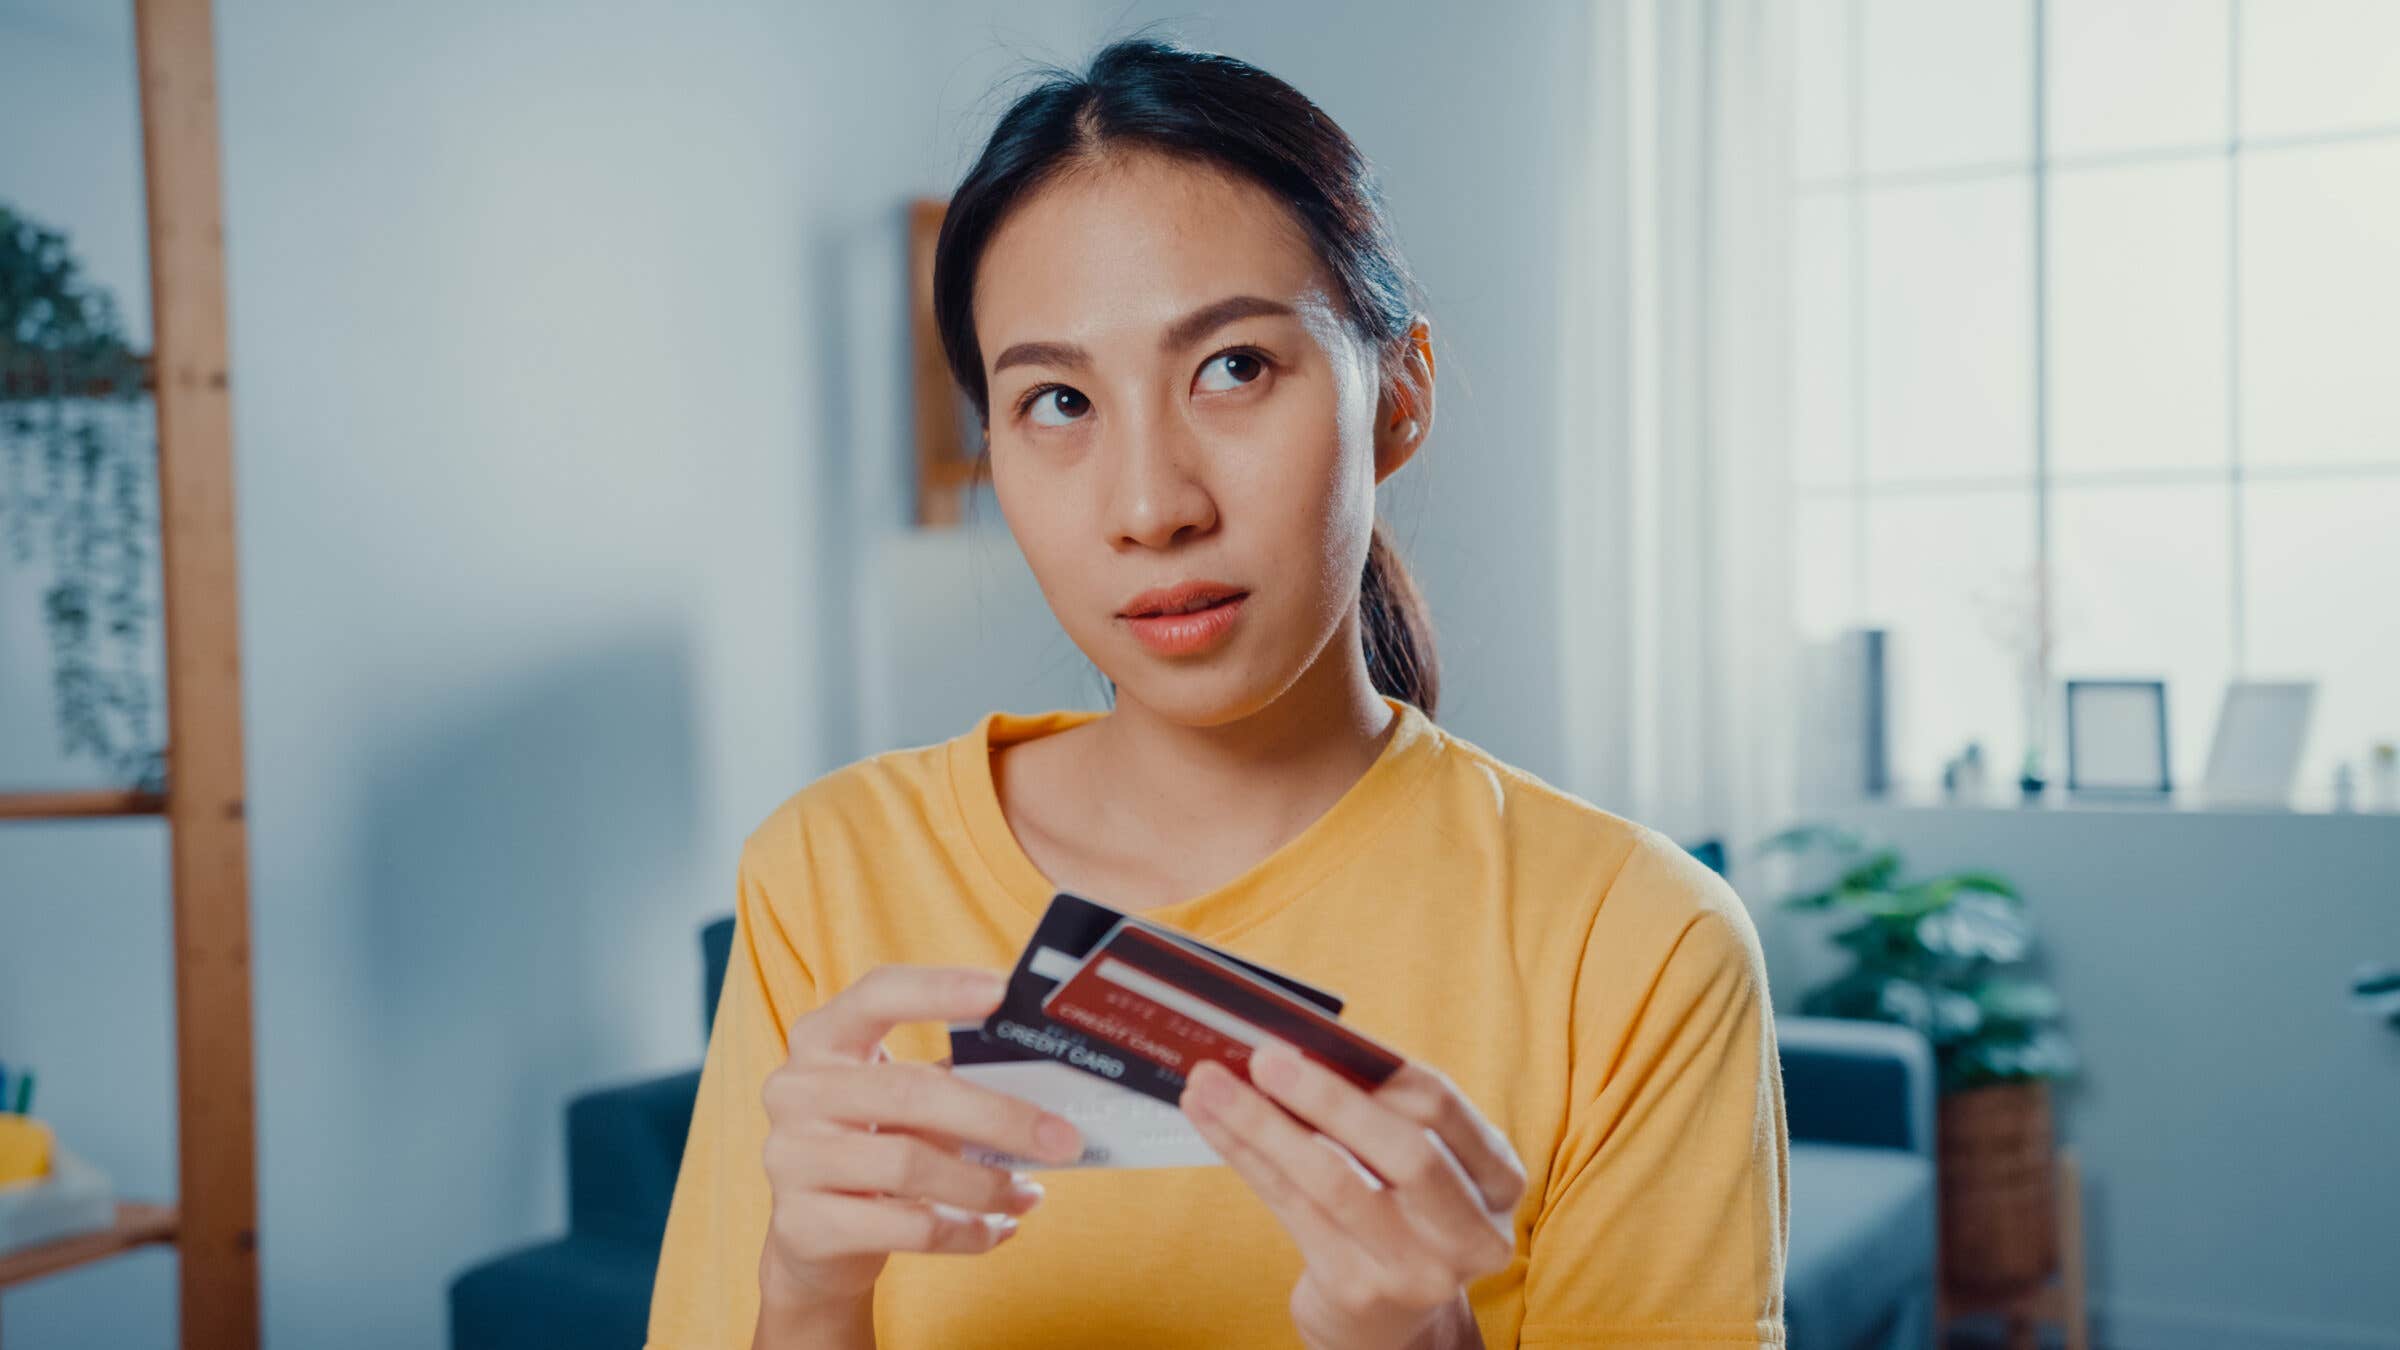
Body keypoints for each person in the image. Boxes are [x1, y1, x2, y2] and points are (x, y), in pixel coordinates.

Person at [647, 34, 1788, 1350]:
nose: (1149, 506)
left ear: (1398, 396)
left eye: (1235, 367)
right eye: (1059, 400)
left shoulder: (1638, 947)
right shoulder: (829, 871)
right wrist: (803, 1292)